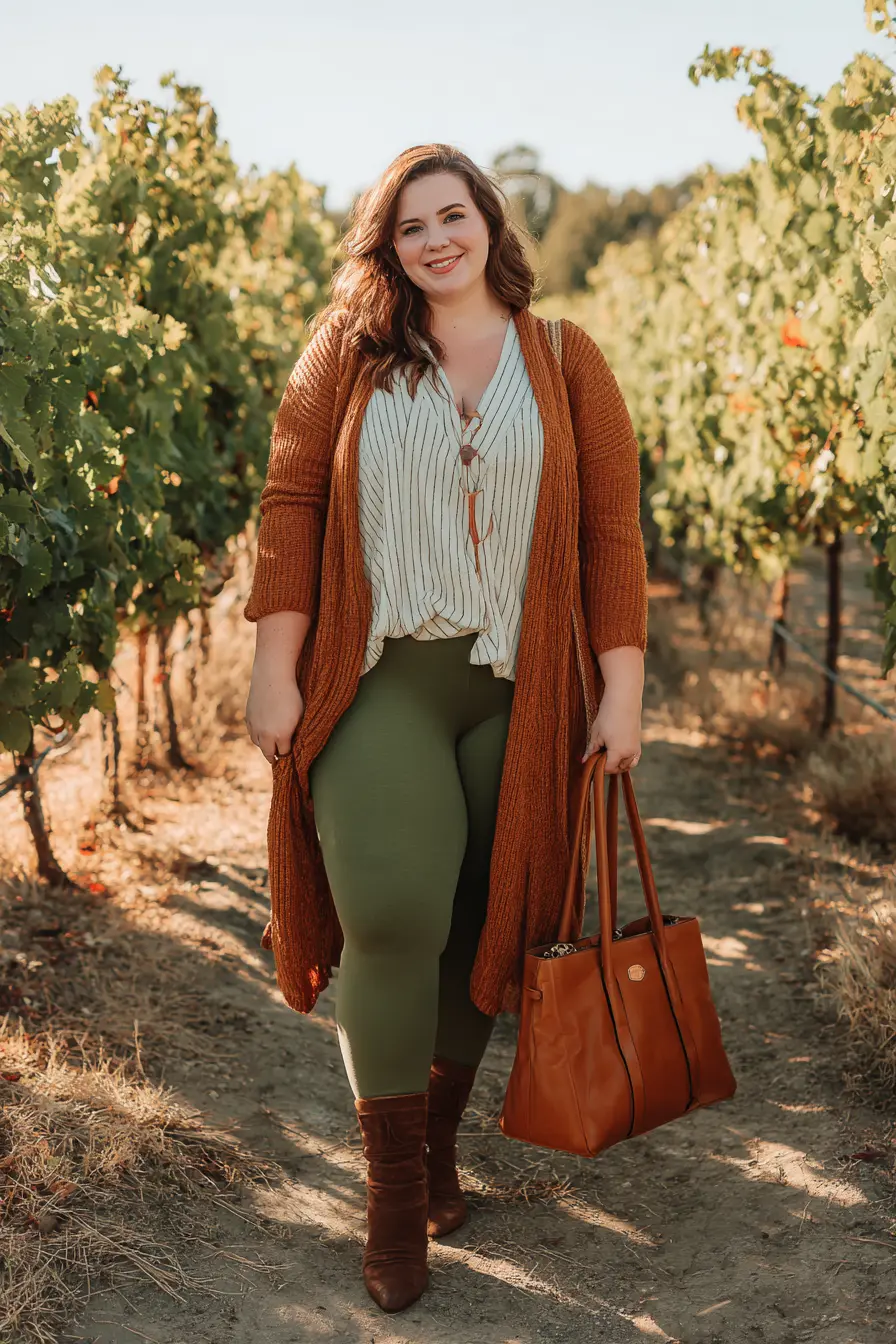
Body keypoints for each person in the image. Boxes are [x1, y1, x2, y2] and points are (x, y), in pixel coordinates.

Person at [244, 143, 648, 1314]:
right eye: (409, 223)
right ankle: (389, 1210)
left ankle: (432, 1158)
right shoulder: (349, 354)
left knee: (490, 918)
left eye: (451, 214)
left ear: (486, 223)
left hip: (527, 690)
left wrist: (618, 689)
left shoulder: (566, 359)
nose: (434, 238)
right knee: (393, 916)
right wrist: (276, 668)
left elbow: (612, 536)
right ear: (389, 243)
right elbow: (291, 501)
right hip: (382, 678)